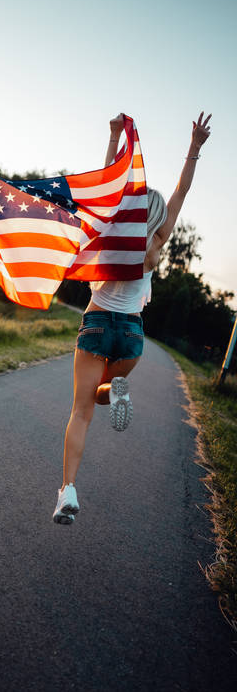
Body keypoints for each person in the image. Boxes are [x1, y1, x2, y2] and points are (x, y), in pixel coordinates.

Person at [53, 111, 212, 524]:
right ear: (158, 218)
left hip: (96, 323)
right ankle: (116, 385)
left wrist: (112, 138)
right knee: (104, 390)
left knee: (80, 412)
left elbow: (108, 179)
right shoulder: (158, 242)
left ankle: (67, 490)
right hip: (132, 336)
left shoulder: (112, 232)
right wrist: (194, 148)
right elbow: (180, 193)